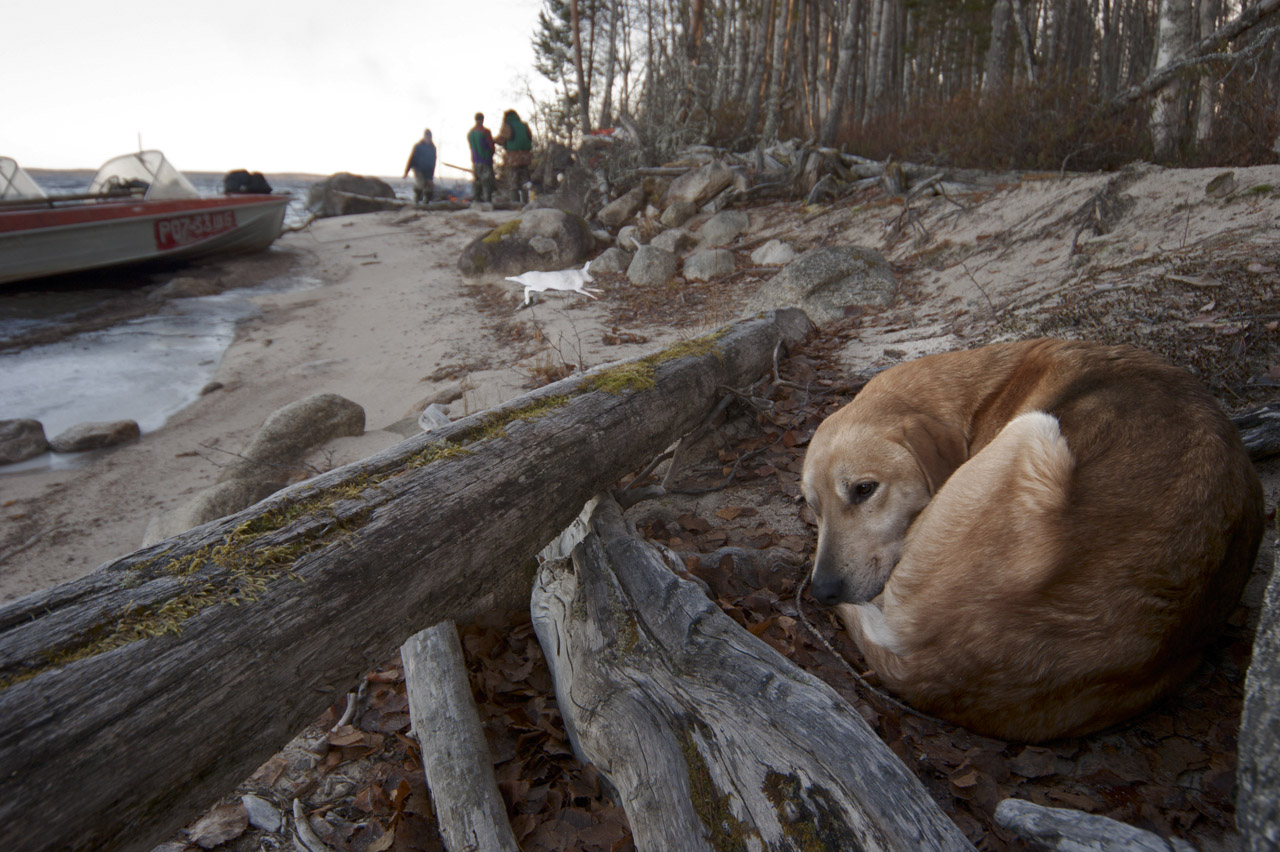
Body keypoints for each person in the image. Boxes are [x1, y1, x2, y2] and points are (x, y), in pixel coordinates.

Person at [495, 109, 534, 203]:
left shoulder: (507, 125)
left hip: (513, 159)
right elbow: (530, 138)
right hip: (526, 158)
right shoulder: (524, 125)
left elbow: (502, 139)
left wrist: (493, 140)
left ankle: (515, 203)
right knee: (525, 181)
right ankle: (526, 202)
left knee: (513, 183)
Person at [402, 128, 437, 207]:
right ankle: (416, 202)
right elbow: (411, 159)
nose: (428, 139)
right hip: (418, 169)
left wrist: (430, 177)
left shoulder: (433, 148)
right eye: (427, 137)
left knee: (430, 187)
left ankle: (425, 203)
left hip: (428, 171)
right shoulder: (418, 147)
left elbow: (433, 163)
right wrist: (406, 172)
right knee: (420, 184)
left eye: (429, 138)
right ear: (424, 137)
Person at [467, 112, 496, 204]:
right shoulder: (485, 132)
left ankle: (476, 201)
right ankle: (487, 202)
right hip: (486, 160)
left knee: (477, 181)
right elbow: (491, 146)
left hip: (475, 160)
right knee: (486, 182)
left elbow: (471, 146)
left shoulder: (470, 133)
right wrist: (490, 154)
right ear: (483, 119)